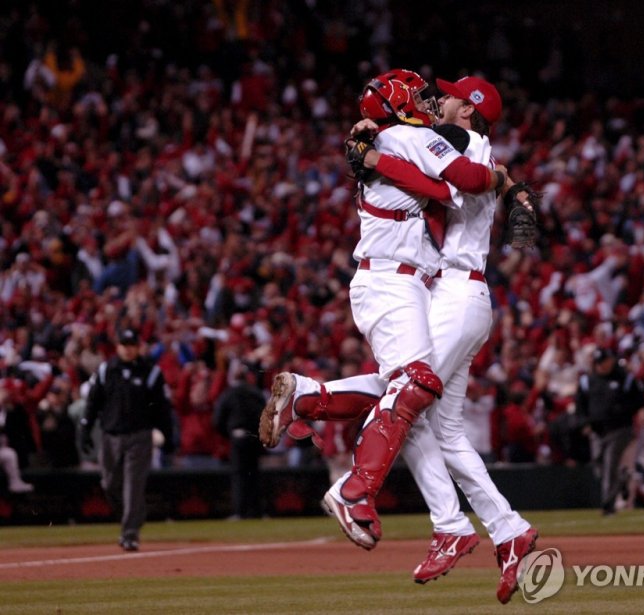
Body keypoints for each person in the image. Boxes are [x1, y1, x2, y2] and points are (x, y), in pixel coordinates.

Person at [261, 72, 538, 604]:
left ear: (468, 108)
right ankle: (508, 531)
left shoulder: (462, 141)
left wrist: (373, 154)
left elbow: (459, 175)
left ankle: (446, 523)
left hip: (453, 290)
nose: (438, 98)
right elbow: (457, 180)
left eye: (450, 94)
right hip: (454, 291)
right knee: (442, 425)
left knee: (409, 394)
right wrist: (508, 184)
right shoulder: (456, 141)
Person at [80, 328, 174, 551]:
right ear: (118, 346)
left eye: (131, 344)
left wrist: (168, 435)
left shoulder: (150, 372)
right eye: (124, 344)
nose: (127, 349)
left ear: (138, 346)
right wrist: (85, 428)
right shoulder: (106, 370)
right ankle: (133, 517)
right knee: (110, 484)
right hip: (110, 436)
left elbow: (162, 408)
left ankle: (130, 533)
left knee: (133, 486)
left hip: (140, 436)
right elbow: (93, 402)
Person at [576, 347, 644, 515]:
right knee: (598, 464)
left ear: (611, 361)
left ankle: (608, 505)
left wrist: (627, 411)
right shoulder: (587, 381)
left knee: (609, 464)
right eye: (598, 363)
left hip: (620, 429)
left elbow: (640, 401)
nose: (601, 366)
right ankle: (622, 480)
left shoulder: (625, 378)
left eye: (604, 362)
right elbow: (580, 406)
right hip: (597, 430)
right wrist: (584, 423)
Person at [213, 362, 266, 519]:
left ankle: (239, 512)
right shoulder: (256, 393)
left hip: (238, 438)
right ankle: (256, 512)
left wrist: (229, 434)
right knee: (254, 475)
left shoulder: (228, 394)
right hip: (254, 438)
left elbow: (217, 421)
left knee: (239, 476)